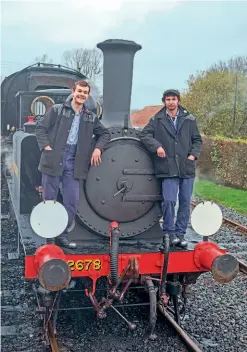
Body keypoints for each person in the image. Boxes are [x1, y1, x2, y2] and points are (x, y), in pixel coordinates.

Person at [35, 80, 111, 248]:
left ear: (87, 95)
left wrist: (98, 148)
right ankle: (49, 237)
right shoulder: (57, 110)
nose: (82, 95)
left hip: (75, 161)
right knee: (49, 201)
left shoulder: (90, 117)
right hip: (54, 158)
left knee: (72, 201)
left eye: (85, 92)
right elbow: (40, 128)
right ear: (73, 92)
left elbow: (105, 134)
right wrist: (47, 147)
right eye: (79, 91)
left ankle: (62, 234)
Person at [139, 89, 202, 248]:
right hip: (167, 167)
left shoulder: (189, 118)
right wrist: (157, 146)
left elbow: (197, 140)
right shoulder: (157, 119)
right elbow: (145, 135)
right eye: (168, 99)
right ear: (164, 101)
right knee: (169, 201)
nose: (171, 102)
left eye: (174, 99)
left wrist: (192, 156)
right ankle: (169, 233)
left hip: (186, 167)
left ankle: (180, 234)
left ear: (178, 100)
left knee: (185, 201)